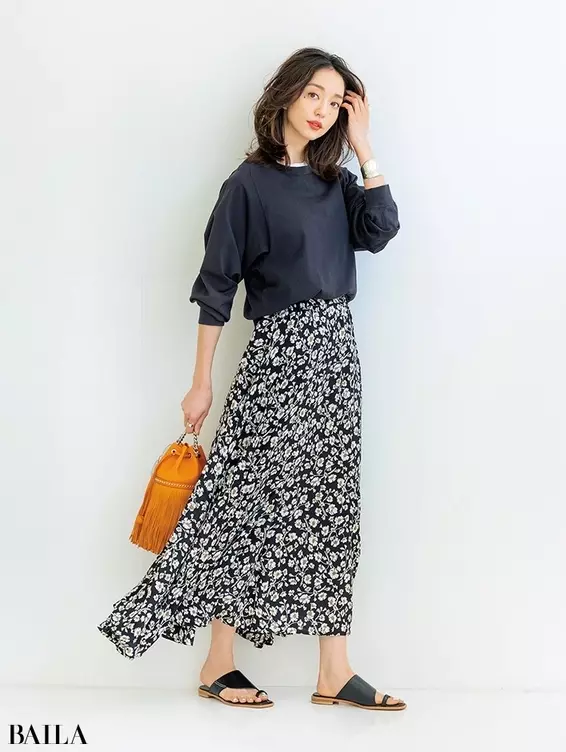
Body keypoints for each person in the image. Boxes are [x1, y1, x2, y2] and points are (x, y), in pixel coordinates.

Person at [97, 46, 406, 712]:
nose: (322, 110)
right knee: (243, 507)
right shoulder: (248, 185)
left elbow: (381, 230)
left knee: (333, 510)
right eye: (313, 95)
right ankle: (218, 663)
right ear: (286, 95)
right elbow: (216, 286)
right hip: (277, 360)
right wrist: (200, 382)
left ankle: (334, 670)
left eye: (335, 101)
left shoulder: (336, 182)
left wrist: (364, 146)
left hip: (336, 360)